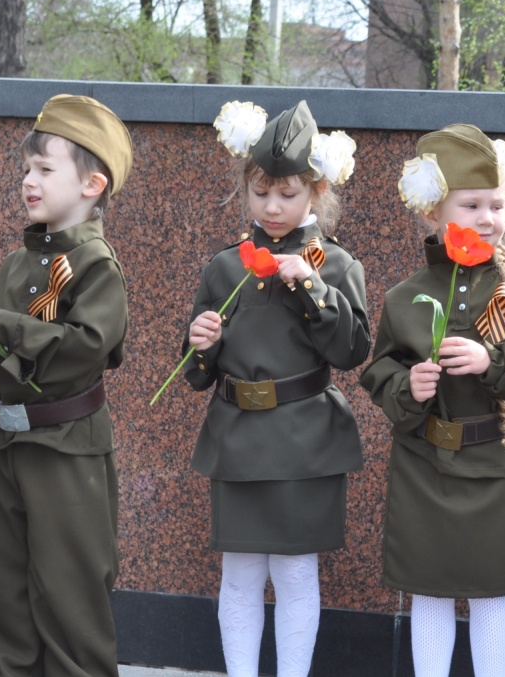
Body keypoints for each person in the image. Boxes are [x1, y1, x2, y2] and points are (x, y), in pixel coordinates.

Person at [361, 124, 505, 677]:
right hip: (424, 466)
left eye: (496, 205)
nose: (487, 217)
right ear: (434, 212)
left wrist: (493, 362)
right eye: (471, 204)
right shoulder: (404, 297)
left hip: (496, 465)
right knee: (428, 591)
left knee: (491, 592)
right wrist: (410, 387)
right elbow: (378, 369)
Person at [0, 94, 133, 676]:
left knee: (70, 596)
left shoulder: (97, 266)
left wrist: (3, 324)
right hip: (4, 443)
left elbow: (84, 348)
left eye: (45, 170)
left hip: (65, 448)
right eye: (27, 169)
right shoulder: (19, 262)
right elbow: (13, 357)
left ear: (92, 183)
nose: (29, 181)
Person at [180, 100, 368, 677]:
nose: (273, 206)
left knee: (294, 573)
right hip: (237, 436)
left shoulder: (334, 265)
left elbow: (353, 352)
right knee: (238, 575)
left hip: (304, 440)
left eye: (287, 193)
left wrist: (313, 288)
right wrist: (200, 343)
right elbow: (195, 375)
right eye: (261, 193)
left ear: (316, 193)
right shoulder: (225, 267)